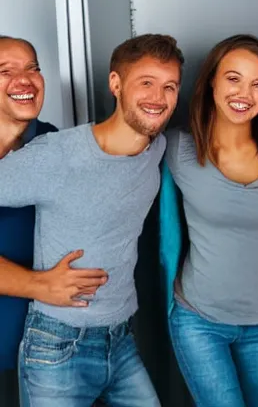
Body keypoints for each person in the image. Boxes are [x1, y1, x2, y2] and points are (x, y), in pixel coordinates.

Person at [0, 33, 183, 407]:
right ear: (115, 84)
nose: (158, 98)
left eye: (169, 87)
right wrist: (36, 283)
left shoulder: (157, 145)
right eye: (146, 83)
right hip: (56, 343)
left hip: (120, 338)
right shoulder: (55, 155)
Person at [160, 34, 258, 407]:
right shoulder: (179, 148)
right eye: (233, 78)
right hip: (200, 320)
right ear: (212, 81)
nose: (245, 93)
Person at [0, 36, 108, 402]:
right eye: (6, 71)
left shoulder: (53, 144)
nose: (24, 79)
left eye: (33, 68)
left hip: (43, 351)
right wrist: (38, 285)